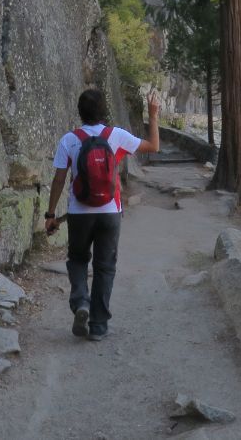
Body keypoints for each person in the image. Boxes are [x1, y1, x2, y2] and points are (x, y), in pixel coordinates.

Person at [44, 88, 160, 341]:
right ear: (104, 111)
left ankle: (81, 302)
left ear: (79, 112)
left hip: (79, 213)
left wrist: (50, 214)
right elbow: (153, 146)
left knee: (77, 259)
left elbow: (59, 179)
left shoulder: (69, 140)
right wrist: (152, 115)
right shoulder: (116, 136)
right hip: (110, 212)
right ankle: (98, 326)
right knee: (105, 267)